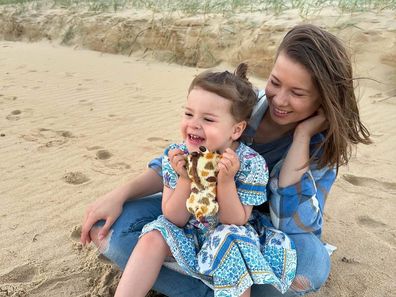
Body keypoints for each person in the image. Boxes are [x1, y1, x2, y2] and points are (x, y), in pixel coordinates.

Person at [81, 24, 371, 297]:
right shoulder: (237, 105)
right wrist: (119, 194)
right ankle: (214, 284)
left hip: (251, 232)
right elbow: (171, 167)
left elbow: (293, 228)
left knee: (309, 271)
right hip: (194, 217)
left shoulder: (321, 152)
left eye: (296, 93)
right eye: (275, 82)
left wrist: (302, 139)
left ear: (323, 100)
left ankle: (199, 281)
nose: (279, 100)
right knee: (113, 233)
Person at [114, 64, 297, 297]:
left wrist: (226, 181)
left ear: (236, 129)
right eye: (189, 113)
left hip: (228, 233)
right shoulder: (178, 155)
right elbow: (174, 218)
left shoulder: (249, 163)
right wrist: (184, 179)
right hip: (189, 231)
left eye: (208, 119)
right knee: (153, 236)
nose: (194, 124)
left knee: (232, 244)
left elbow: (236, 220)